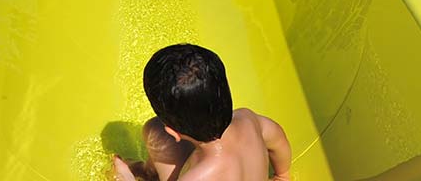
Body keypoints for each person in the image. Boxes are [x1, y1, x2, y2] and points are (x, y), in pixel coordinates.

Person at [112, 43, 292, 181]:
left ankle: (147, 173)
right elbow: (278, 139)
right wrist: (282, 175)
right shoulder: (248, 119)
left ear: (173, 132)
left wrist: (124, 177)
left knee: (154, 130)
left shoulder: (196, 177)